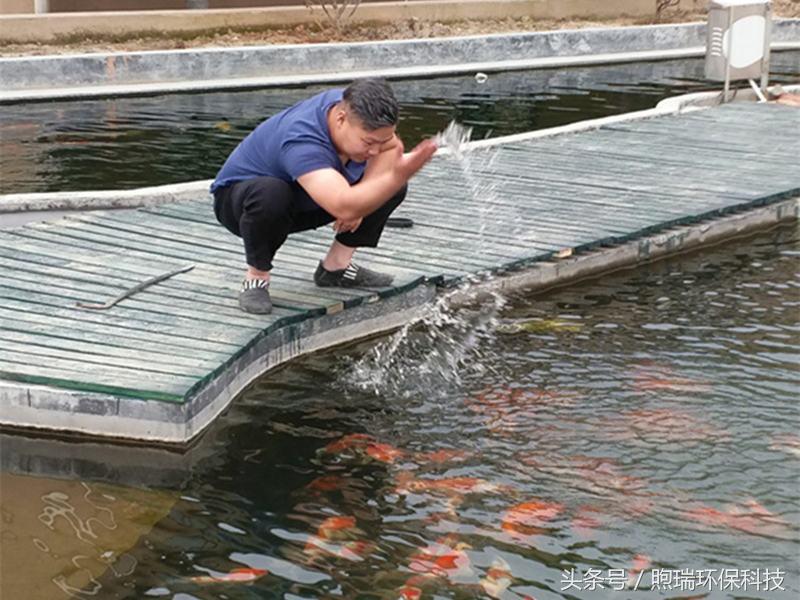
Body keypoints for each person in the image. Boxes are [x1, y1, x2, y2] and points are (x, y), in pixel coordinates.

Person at [211, 78, 438, 314]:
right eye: (368, 142)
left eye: (379, 142)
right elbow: (343, 205)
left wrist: (369, 193)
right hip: (243, 205)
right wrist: (358, 203)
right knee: (271, 194)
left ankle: (336, 267)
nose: (374, 151)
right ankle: (256, 278)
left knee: (388, 186)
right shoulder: (303, 140)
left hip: (306, 194)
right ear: (340, 119)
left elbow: (391, 147)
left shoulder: (352, 107)